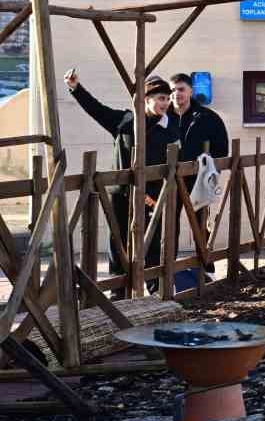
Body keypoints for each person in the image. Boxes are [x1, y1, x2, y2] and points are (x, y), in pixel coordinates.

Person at [64, 71, 180, 284]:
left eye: (167, 98)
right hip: (121, 194)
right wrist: (76, 88)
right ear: (146, 99)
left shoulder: (171, 128)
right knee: (119, 242)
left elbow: (174, 164)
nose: (165, 103)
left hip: (152, 195)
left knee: (152, 240)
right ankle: (118, 288)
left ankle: (155, 287)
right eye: (160, 98)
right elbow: (96, 109)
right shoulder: (125, 121)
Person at [169, 73, 230, 288]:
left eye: (181, 89)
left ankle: (207, 268)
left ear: (190, 91)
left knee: (200, 225)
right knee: (169, 225)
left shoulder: (207, 117)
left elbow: (222, 150)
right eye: (173, 89)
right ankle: (169, 267)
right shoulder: (163, 117)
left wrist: (209, 171)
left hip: (199, 181)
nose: (177, 94)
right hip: (170, 182)